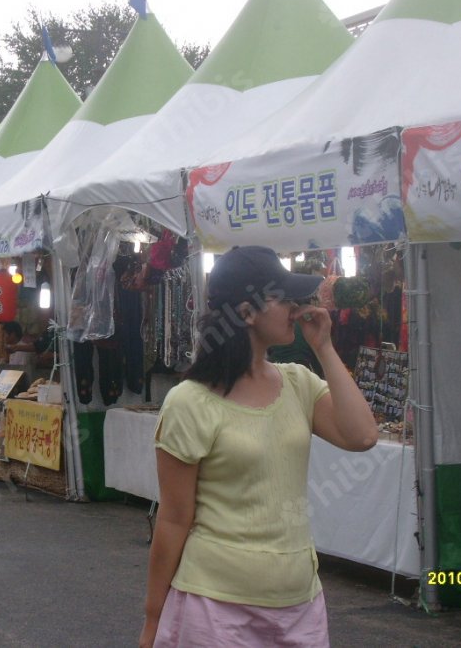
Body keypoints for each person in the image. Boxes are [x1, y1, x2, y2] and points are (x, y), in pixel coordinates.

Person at [140, 246, 377, 648]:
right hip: (213, 608)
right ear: (247, 313)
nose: (295, 307)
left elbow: (362, 436)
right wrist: (153, 619)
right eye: (282, 298)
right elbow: (174, 519)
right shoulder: (189, 402)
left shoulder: (298, 383)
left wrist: (324, 348)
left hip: (299, 602)